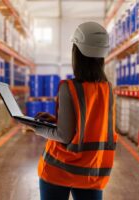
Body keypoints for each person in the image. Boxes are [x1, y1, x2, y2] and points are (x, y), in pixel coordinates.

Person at [34, 21, 117, 200]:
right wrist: (57, 120)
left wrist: (37, 128)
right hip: (92, 171)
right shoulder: (108, 89)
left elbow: (64, 136)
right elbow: (88, 126)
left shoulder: (68, 87)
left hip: (59, 169)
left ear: (76, 53)